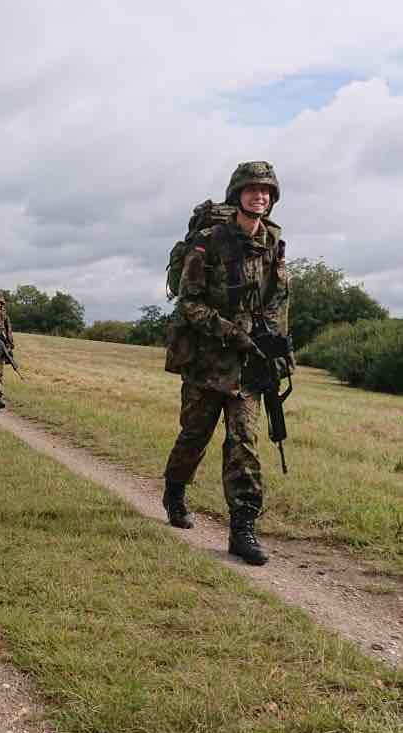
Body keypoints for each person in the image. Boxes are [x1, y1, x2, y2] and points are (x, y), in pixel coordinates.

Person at [162, 161, 290, 566]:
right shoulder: (209, 241)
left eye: (266, 190)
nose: (260, 196)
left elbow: (278, 300)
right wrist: (232, 333)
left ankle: (243, 528)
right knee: (194, 435)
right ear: (237, 195)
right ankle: (175, 492)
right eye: (252, 189)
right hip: (207, 360)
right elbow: (189, 303)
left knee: (244, 443)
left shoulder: (273, 242)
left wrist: (276, 347)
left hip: (249, 365)